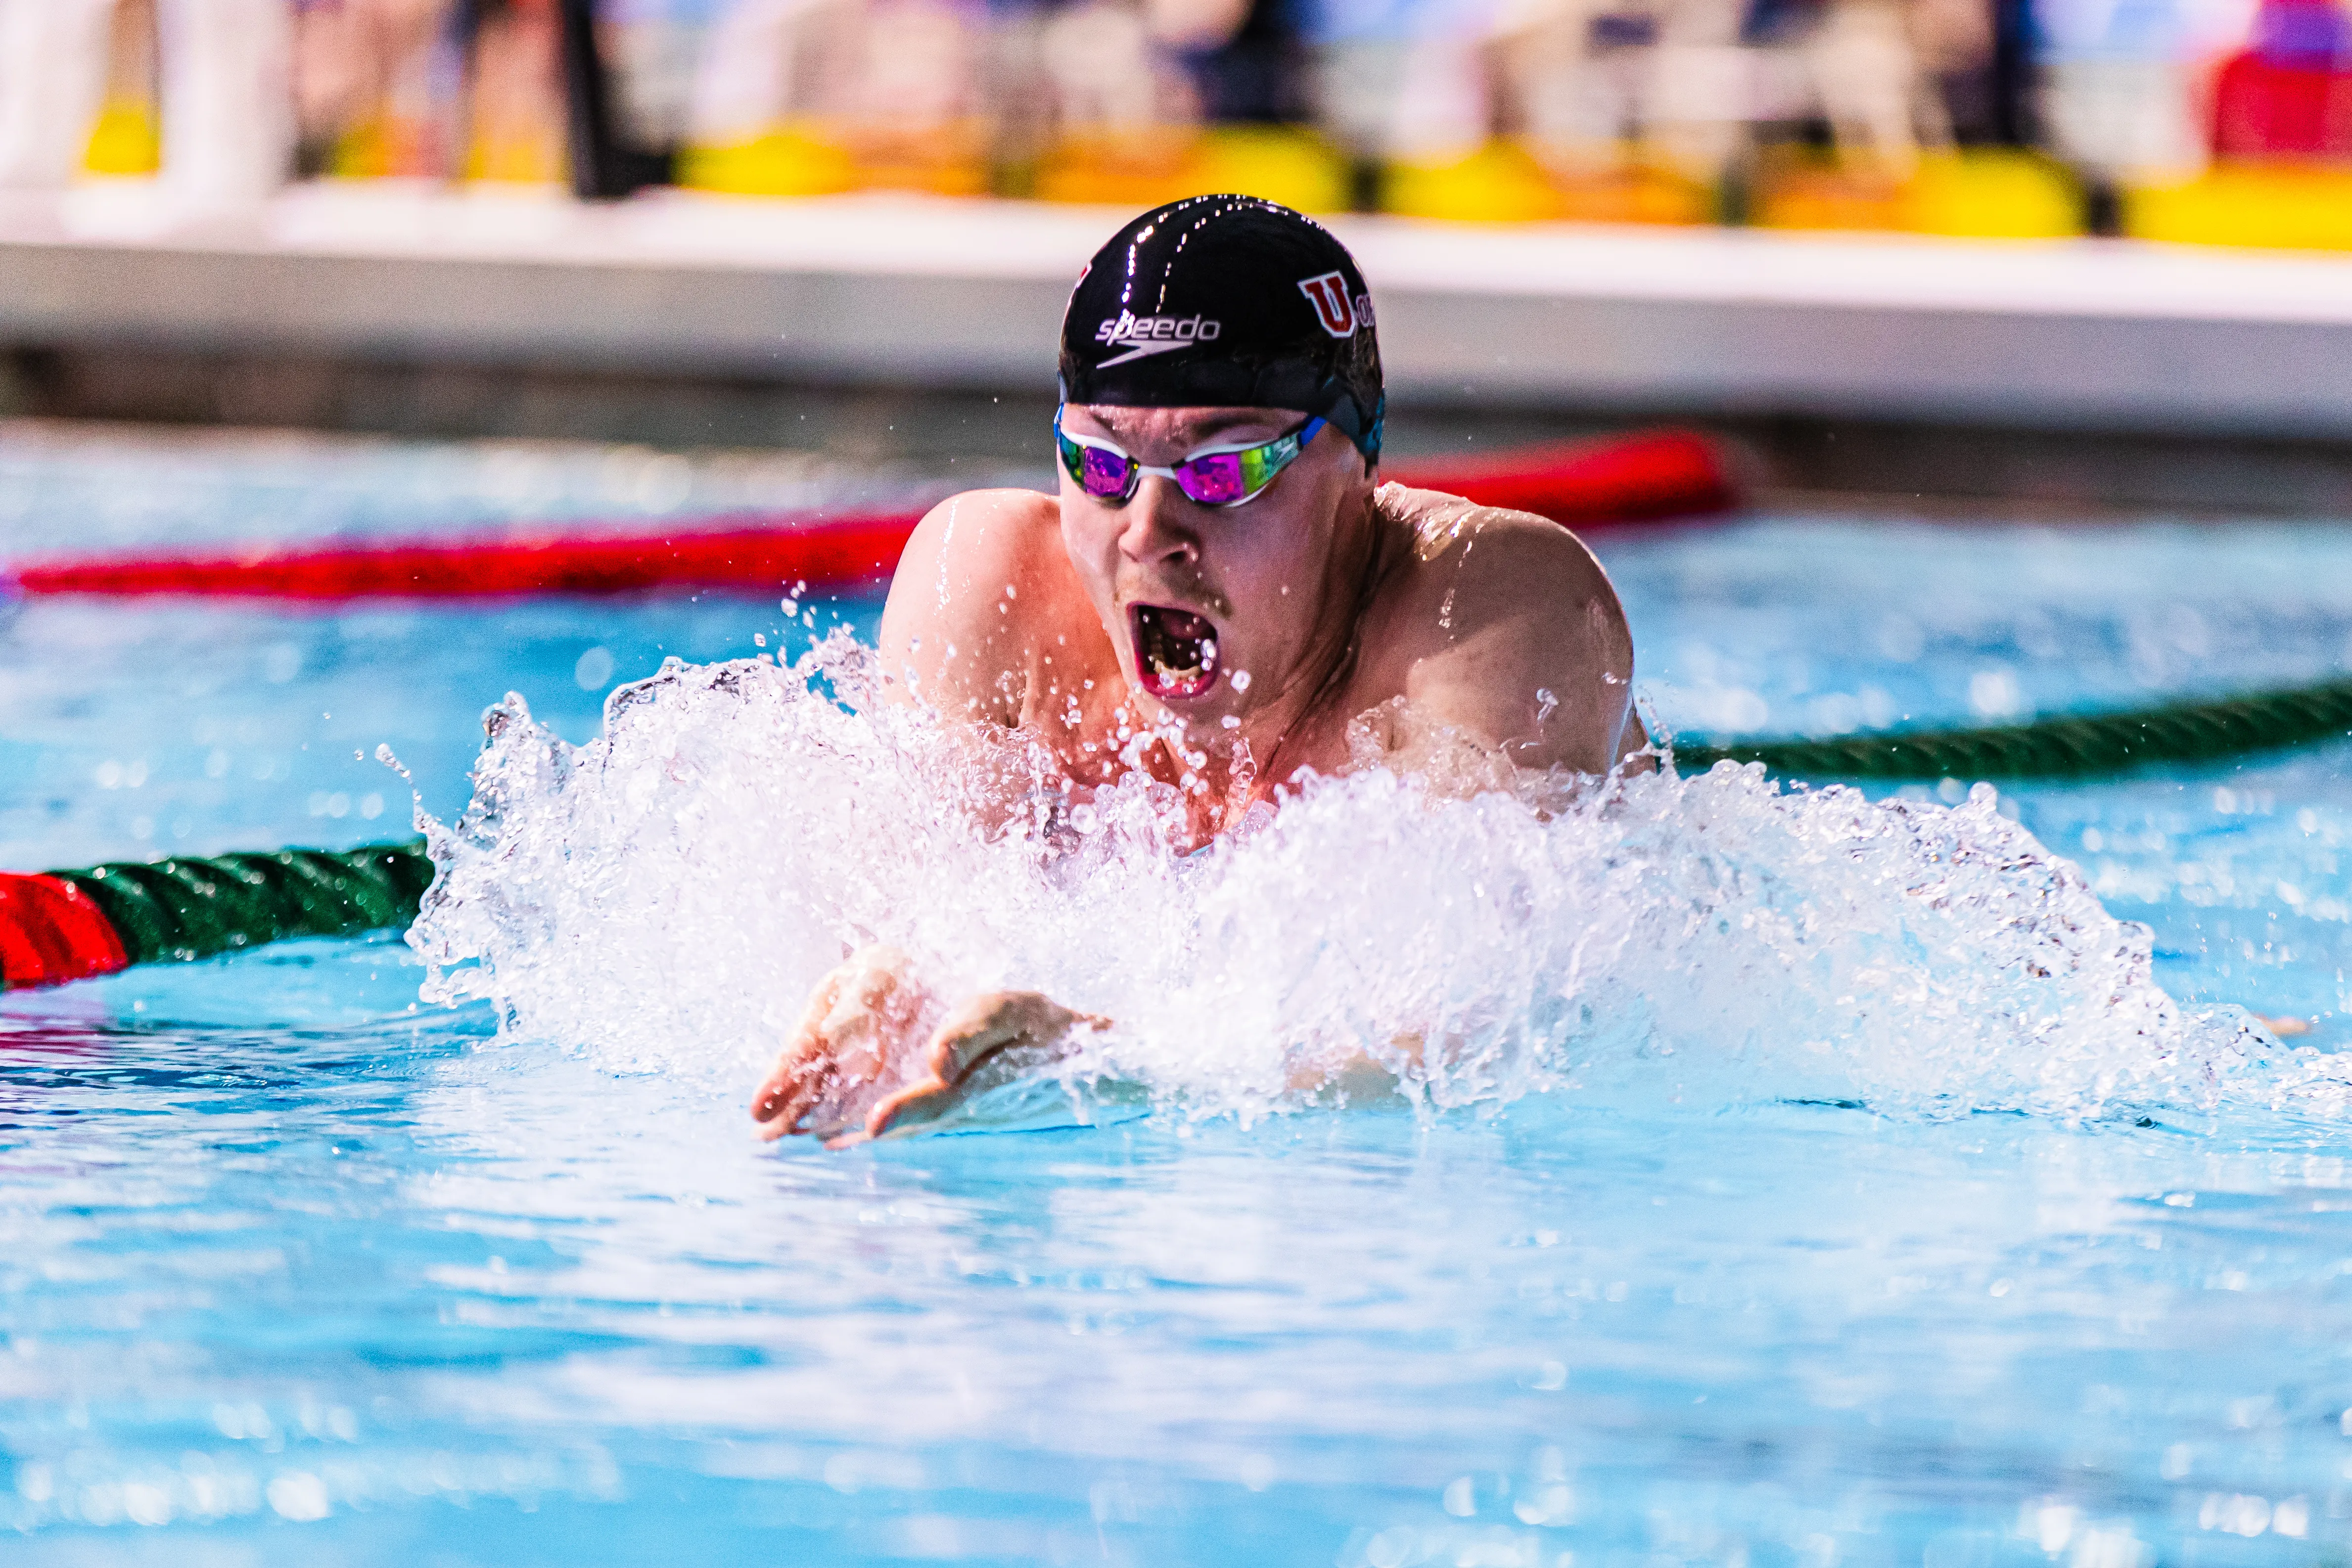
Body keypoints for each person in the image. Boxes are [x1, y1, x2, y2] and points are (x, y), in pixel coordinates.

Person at [751, 194, 1648, 1147]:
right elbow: (919, 916)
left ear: (1358, 462)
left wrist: (1130, 1068)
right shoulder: (993, 587)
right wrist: (886, 982)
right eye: (1099, 465)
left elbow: (1481, 1035)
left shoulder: (1493, 612)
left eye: (1222, 470)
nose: (1146, 532)